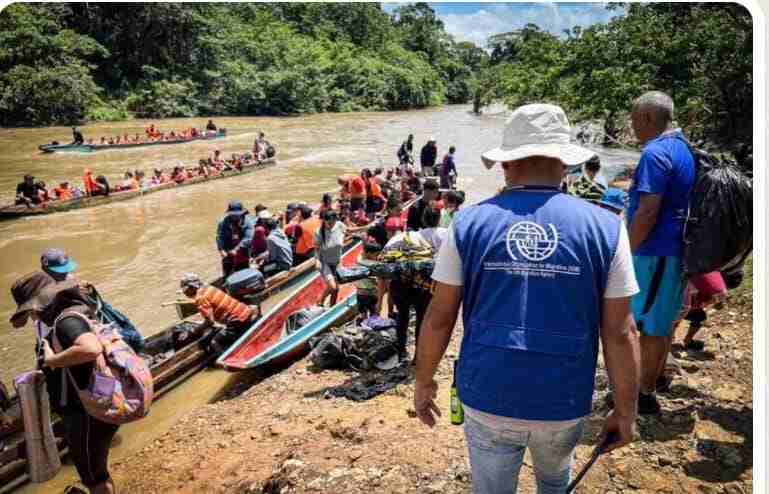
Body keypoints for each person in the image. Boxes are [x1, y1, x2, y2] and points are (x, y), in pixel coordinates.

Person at [415, 103, 641, 493]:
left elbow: (439, 316)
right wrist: (626, 411)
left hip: (487, 392)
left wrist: (424, 381)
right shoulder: (607, 228)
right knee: (554, 482)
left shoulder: (467, 223)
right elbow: (621, 332)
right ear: (565, 164)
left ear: (506, 165)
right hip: (563, 397)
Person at [10, 272, 120, 494]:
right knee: (96, 467)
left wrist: (52, 360)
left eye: (31, 310)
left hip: (85, 413)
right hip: (93, 405)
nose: (32, 316)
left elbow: (90, 348)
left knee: (94, 476)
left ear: (40, 304)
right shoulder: (73, 311)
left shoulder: (65, 322)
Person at [627, 91, 695, 414]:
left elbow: (647, 211)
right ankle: (650, 385)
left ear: (647, 119)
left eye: (634, 120)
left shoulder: (655, 153)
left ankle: (643, 394)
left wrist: (626, 250)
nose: (632, 127)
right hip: (674, 251)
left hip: (655, 252)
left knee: (649, 326)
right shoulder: (684, 148)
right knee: (662, 322)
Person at [179, 274, 256, 355]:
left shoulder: (200, 298)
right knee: (222, 329)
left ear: (192, 287)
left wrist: (192, 332)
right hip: (245, 310)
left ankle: (227, 363)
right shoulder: (209, 287)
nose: (185, 293)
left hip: (238, 320)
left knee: (215, 342)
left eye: (186, 290)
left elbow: (210, 322)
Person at [315, 209, 347, 307]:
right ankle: (320, 300)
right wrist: (317, 260)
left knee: (336, 289)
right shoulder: (319, 232)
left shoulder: (340, 225)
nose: (329, 225)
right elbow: (316, 248)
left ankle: (332, 307)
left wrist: (365, 227)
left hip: (337, 262)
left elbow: (349, 230)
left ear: (335, 220)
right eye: (327, 222)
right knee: (332, 287)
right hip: (325, 263)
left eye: (331, 222)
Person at [216, 201, 254, 277]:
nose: (235, 216)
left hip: (243, 252)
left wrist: (237, 249)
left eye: (237, 214)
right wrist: (221, 250)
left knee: (243, 272)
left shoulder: (248, 222)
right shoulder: (223, 222)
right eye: (232, 214)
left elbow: (248, 238)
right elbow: (220, 237)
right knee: (227, 273)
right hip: (228, 252)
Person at [356, 241, 382, 320]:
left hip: (363, 292)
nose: (377, 256)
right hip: (368, 292)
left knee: (365, 311)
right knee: (370, 311)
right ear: (368, 253)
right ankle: (369, 324)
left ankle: (366, 323)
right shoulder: (372, 264)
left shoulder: (360, 260)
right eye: (376, 254)